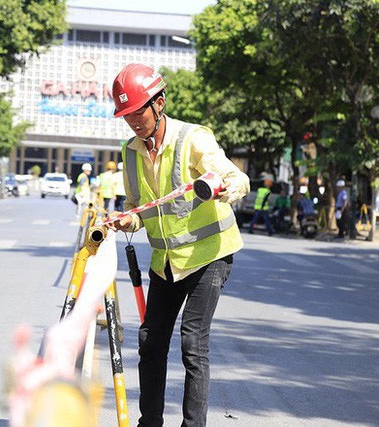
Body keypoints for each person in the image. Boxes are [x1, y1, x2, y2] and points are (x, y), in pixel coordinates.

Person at [108, 63, 249, 427]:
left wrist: (226, 188)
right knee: (150, 343)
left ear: (160, 103)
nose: (134, 121)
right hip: (166, 261)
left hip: (209, 256)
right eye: (127, 115)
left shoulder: (193, 138)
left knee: (192, 344)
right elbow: (139, 206)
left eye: (139, 111)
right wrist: (130, 220)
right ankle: (149, 423)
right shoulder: (131, 151)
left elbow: (235, 177)